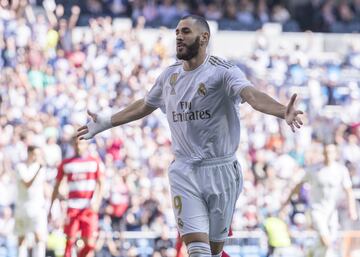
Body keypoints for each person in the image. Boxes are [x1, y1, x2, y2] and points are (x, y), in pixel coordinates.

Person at [77, 14, 304, 257]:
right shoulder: (169, 76)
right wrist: (107, 122)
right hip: (184, 171)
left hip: (221, 171)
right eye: (176, 33)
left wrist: (282, 111)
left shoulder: (222, 71)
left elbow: (251, 95)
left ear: (204, 37)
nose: (178, 37)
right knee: (197, 250)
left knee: (215, 251)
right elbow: (145, 104)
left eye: (185, 32)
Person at [281, 144, 358, 257]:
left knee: (325, 245)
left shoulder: (341, 170)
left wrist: (352, 210)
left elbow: (349, 191)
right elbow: (299, 185)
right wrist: (287, 202)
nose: (328, 155)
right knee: (326, 239)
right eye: (326, 152)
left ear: (335, 154)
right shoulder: (314, 170)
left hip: (332, 211)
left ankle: (309, 253)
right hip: (317, 210)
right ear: (323, 154)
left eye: (331, 152)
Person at [48, 137, 103, 257]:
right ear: (73, 145)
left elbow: (101, 183)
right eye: (76, 143)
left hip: (88, 208)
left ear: (86, 144)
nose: (79, 146)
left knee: (90, 244)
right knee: (70, 241)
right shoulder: (66, 163)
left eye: (81, 143)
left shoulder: (94, 161)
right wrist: (51, 207)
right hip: (73, 207)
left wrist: (97, 201)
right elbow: (57, 187)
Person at [14, 145, 47, 257]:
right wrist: (38, 170)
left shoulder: (41, 168)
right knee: (21, 237)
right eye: (34, 154)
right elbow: (27, 184)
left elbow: (44, 186)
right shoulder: (20, 167)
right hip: (22, 207)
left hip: (37, 207)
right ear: (29, 153)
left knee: (39, 236)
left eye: (38, 155)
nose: (36, 157)